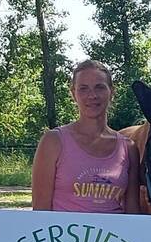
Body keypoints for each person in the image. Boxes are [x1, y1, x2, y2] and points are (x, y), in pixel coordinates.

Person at [30, 60, 139, 213]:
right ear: (73, 94)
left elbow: (133, 215)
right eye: (83, 89)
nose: (92, 95)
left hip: (110, 237)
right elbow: (40, 211)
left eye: (99, 87)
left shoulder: (128, 148)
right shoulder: (53, 142)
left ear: (111, 92)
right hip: (64, 236)